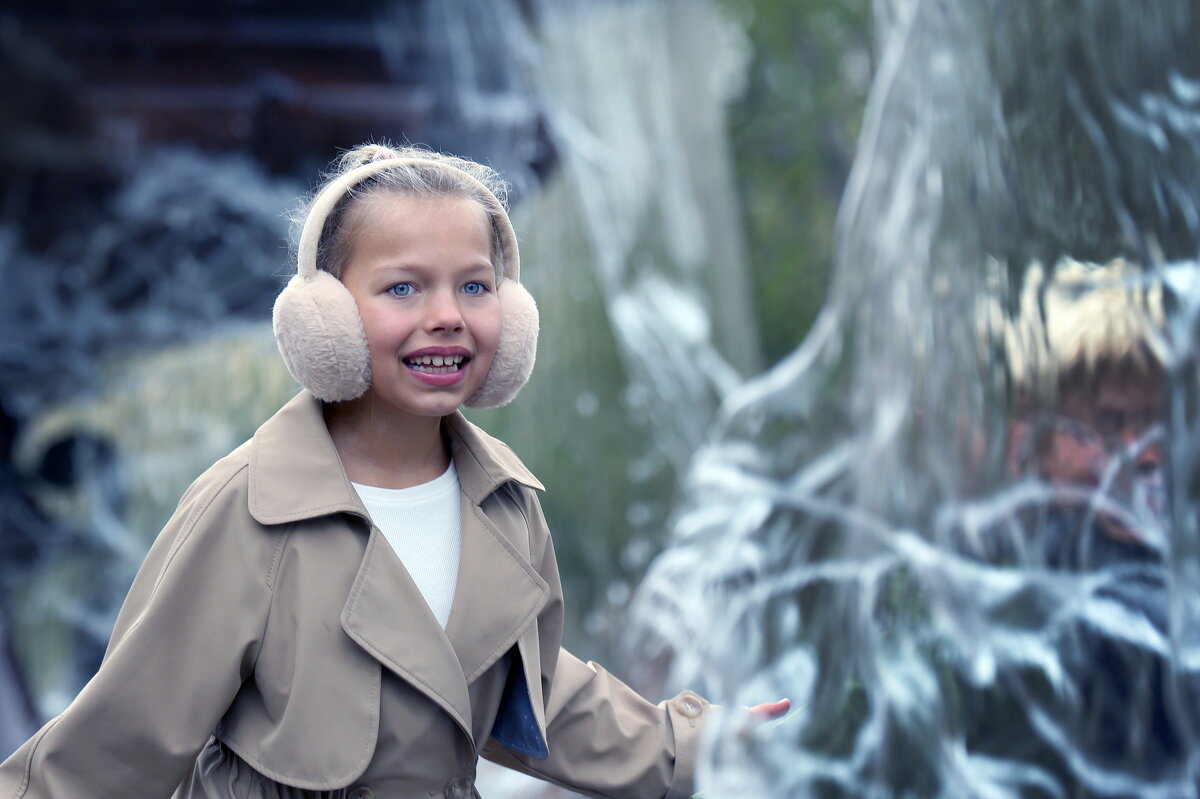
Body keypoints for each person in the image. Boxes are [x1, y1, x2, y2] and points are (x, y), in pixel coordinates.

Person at [0, 144, 787, 798]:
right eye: (403, 287)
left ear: (509, 320)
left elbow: (535, 699)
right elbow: (122, 737)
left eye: (474, 286)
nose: (446, 313)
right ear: (326, 319)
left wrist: (689, 742)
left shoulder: (506, 506)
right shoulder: (250, 508)